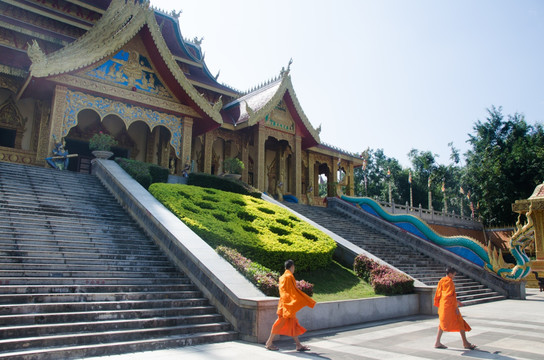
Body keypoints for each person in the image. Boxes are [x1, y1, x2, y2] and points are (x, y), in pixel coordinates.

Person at [265, 259, 316, 352]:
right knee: (279, 323)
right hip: (287, 305)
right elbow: (293, 291)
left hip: (284, 303)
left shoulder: (282, 277)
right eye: (294, 267)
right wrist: (303, 299)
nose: (294, 269)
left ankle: (298, 345)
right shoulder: (289, 276)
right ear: (292, 266)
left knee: (293, 324)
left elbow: (286, 291)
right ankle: (269, 343)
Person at [434, 266, 476, 350]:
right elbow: (449, 296)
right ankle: (465, 343)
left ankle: (437, 342)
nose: (454, 276)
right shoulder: (449, 282)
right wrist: (455, 306)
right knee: (460, 322)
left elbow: (439, 294)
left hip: (443, 306)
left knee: (442, 323)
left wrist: (456, 302)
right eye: (454, 275)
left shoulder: (441, 281)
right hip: (449, 307)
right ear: (450, 274)